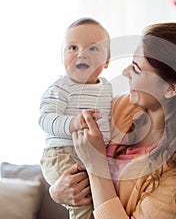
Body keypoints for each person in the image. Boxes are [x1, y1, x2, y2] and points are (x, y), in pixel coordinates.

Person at [49, 22, 176, 219]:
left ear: (170, 88)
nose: (125, 72)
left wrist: (96, 166)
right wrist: (57, 191)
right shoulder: (122, 109)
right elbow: (63, 146)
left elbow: (92, 162)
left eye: (136, 69)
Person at [39, 17, 112, 219]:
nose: (81, 54)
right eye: (72, 48)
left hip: (93, 156)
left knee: (101, 199)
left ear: (107, 61)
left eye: (93, 49)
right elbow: (45, 119)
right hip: (62, 153)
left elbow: (109, 122)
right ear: (62, 57)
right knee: (83, 201)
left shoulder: (106, 88)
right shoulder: (61, 87)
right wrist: (73, 123)